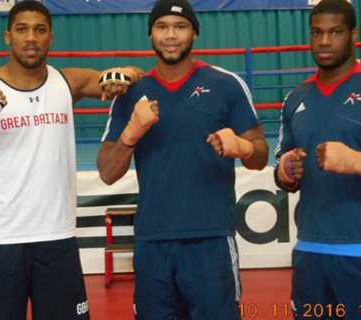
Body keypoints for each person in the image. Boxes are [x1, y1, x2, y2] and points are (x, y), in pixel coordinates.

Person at [0, 1, 141, 319]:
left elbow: (120, 77)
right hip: (0, 240)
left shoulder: (67, 82)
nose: (31, 37)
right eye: (22, 29)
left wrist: (125, 74)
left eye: (39, 29)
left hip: (57, 238)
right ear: (8, 37)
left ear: (51, 37)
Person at [97, 0, 269, 319]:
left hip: (212, 240)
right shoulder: (130, 93)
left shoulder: (226, 85)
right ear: (150, 34)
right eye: (162, 27)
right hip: (152, 242)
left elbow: (260, 155)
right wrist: (131, 134)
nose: (171, 35)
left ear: (195, 33)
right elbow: (107, 172)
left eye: (180, 27)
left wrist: (243, 148)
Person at [274, 0, 361, 319]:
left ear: (354, 35)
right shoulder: (295, 98)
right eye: (317, 33)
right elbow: (283, 174)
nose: (324, 41)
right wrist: (285, 171)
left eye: (335, 32)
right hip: (309, 250)